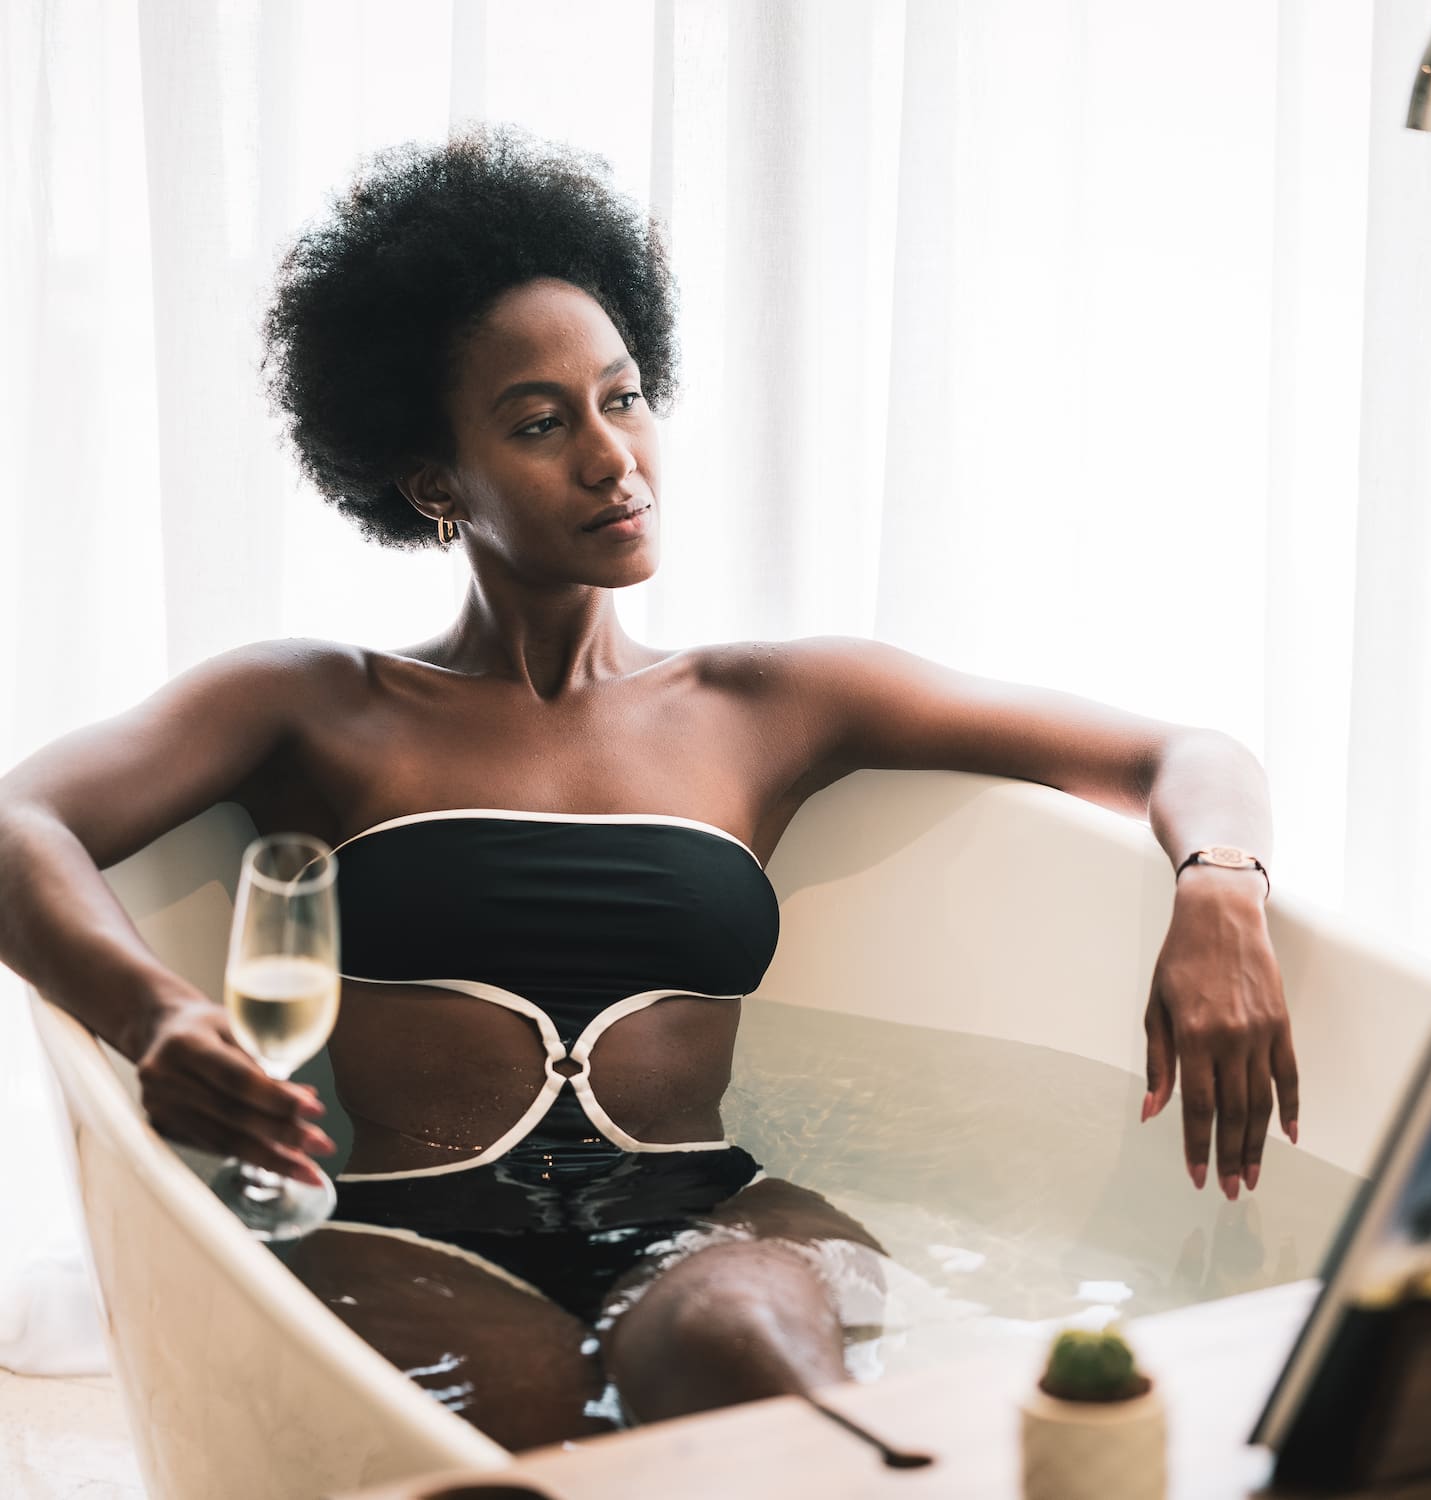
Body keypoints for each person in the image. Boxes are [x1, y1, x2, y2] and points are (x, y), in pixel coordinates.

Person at [0, 127, 1296, 1449]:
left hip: (709, 1224)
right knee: (522, 1409)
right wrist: (154, 1016)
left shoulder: (768, 704)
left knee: (746, 1363)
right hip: (410, 1232)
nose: (614, 456)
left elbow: (1183, 757)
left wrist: (1220, 895)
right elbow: (18, 826)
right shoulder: (315, 705)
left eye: (623, 398)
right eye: (539, 423)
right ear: (434, 480)